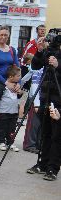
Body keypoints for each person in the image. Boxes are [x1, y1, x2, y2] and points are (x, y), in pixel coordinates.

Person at [27, 33, 61, 181]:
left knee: (56, 136)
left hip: (58, 100)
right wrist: (40, 50)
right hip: (45, 97)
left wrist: (58, 65)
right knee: (45, 134)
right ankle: (42, 163)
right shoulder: (49, 52)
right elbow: (35, 65)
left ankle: (53, 168)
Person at [0, 65, 23, 151]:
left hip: (14, 112)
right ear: (10, 77)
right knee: (1, 127)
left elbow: (18, 97)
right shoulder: (2, 86)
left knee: (12, 128)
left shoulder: (17, 86)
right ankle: (0, 141)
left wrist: (20, 92)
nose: (19, 77)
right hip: (3, 112)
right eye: (18, 76)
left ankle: (10, 142)